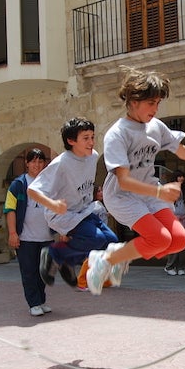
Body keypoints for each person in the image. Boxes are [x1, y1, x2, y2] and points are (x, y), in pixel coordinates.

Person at [87, 66, 185, 295]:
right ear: (133, 101)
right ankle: (108, 259)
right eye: (151, 103)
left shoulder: (156, 127)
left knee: (178, 240)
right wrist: (160, 193)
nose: (156, 108)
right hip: (122, 196)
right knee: (159, 239)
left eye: (158, 103)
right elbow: (123, 180)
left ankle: (123, 254)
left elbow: (181, 151)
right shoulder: (117, 134)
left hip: (150, 191)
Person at [28, 118, 118, 291]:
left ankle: (68, 259)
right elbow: (32, 190)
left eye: (92, 137)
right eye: (86, 138)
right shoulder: (61, 163)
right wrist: (53, 204)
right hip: (63, 214)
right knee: (96, 238)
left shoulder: (92, 156)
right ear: (71, 141)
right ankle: (54, 253)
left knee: (110, 242)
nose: (91, 142)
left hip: (84, 210)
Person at [4, 148, 56, 316]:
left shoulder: (50, 183)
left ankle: (41, 300)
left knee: (44, 270)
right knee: (29, 271)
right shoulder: (18, 185)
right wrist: (13, 233)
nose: (37, 164)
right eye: (33, 161)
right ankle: (33, 303)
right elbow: (10, 209)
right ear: (27, 163)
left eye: (40, 161)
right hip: (25, 237)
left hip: (47, 237)